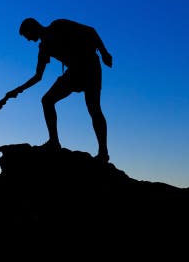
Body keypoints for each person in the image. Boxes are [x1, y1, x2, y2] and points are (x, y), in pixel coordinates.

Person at [6, 18, 113, 162]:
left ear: (32, 28)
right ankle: (54, 142)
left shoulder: (58, 25)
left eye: (27, 36)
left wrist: (104, 52)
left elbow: (90, 31)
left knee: (93, 107)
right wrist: (18, 90)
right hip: (74, 72)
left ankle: (103, 152)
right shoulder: (43, 48)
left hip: (90, 66)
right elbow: (38, 76)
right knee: (47, 100)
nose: (29, 41)